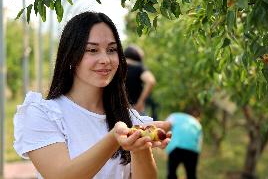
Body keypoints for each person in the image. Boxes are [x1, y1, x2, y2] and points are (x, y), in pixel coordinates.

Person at [13, 12, 171, 179]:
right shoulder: (43, 114)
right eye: (92, 50)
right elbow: (61, 176)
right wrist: (114, 138)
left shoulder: (130, 119)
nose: (105, 59)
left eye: (111, 49)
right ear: (71, 55)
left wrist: (140, 147)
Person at [165, 106, 202, 179]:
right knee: (191, 174)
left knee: (171, 173)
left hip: (176, 147)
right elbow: (199, 142)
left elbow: (165, 127)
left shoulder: (174, 116)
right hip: (192, 149)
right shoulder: (197, 123)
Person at [124, 45, 156, 116]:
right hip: (135, 109)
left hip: (117, 108)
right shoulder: (138, 67)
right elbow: (151, 81)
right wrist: (141, 101)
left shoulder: (116, 67)